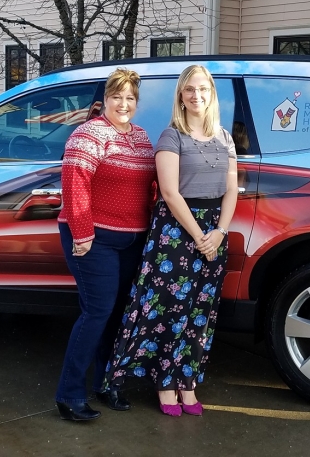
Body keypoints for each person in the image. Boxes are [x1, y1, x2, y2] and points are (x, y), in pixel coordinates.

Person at [104, 64, 239, 417]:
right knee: (166, 311)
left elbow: (231, 190)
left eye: (204, 89)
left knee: (200, 313)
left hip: (214, 231)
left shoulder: (225, 137)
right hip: (177, 233)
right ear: (181, 95)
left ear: (212, 94)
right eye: (190, 89)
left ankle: (188, 383)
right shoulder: (171, 136)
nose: (197, 96)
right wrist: (199, 236)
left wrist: (219, 234)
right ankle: (165, 383)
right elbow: (168, 191)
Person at [55, 68, 157, 422]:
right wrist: (82, 234)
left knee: (117, 313)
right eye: (118, 97)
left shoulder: (142, 137)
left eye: (130, 98)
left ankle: (106, 382)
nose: (124, 104)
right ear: (105, 100)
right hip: (93, 238)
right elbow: (74, 184)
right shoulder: (89, 134)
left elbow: (151, 187)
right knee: (96, 312)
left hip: (132, 239)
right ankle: (69, 394)